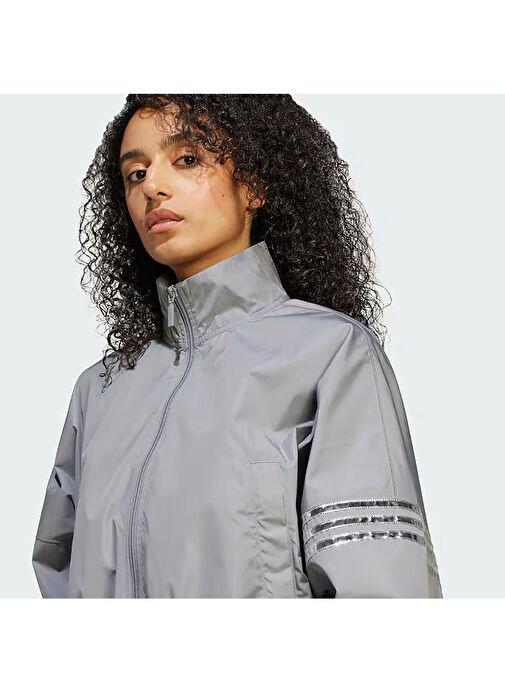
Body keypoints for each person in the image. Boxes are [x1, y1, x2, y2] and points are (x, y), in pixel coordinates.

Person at [32, 94, 443, 598]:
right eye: (135, 174)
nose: (153, 187)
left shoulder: (329, 354)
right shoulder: (98, 391)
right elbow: (58, 574)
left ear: (254, 185)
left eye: (187, 159)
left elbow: (382, 590)